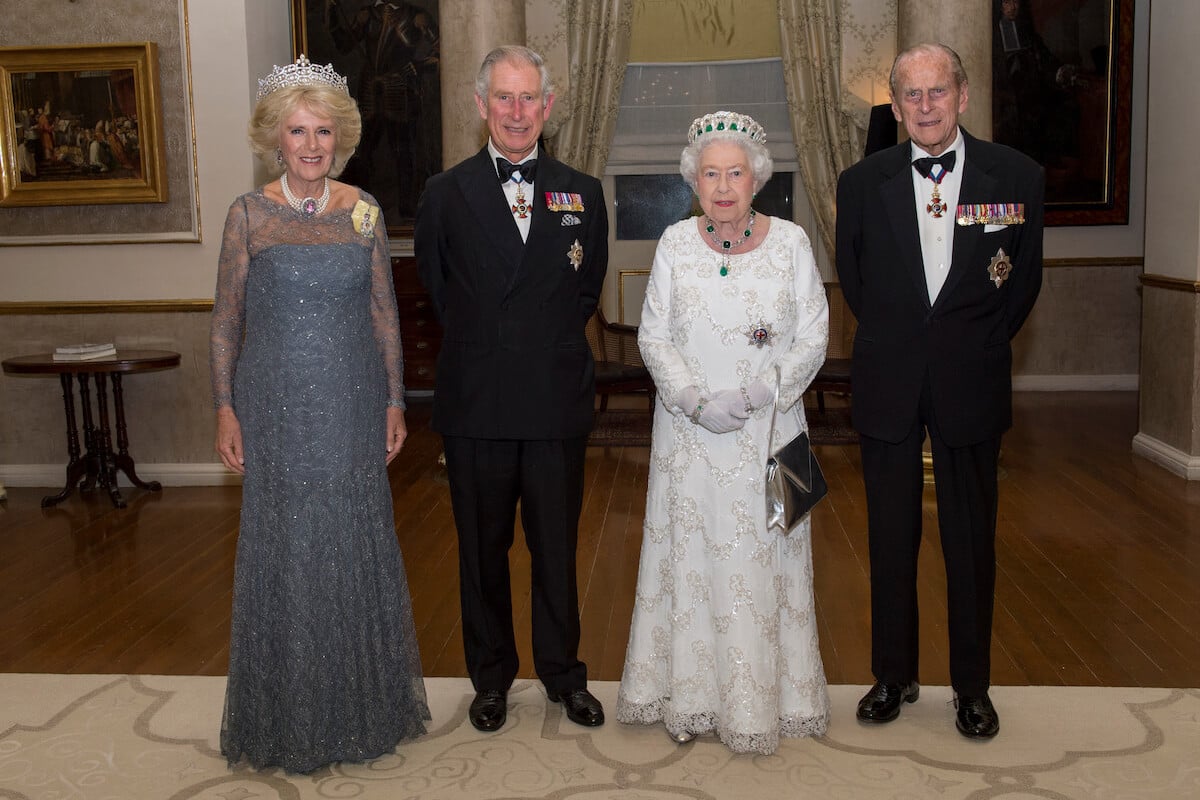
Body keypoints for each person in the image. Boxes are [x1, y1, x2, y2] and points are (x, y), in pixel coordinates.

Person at [209, 54, 429, 773]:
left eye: (323, 133)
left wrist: (395, 399)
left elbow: (385, 315)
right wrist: (225, 409)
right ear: (276, 139)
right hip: (273, 408)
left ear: (341, 139)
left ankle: (362, 708)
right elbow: (224, 323)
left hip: (351, 403)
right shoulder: (248, 215)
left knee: (349, 539)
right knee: (287, 547)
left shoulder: (361, 210)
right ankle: (284, 716)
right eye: (298, 132)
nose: (311, 146)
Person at [835, 43, 1044, 739]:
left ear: (961, 94)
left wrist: (966, 343)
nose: (924, 107)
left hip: (970, 382)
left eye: (937, 92)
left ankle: (973, 688)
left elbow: (1021, 288)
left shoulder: (1016, 176)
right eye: (911, 95)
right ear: (895, 105)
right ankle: (893, 677)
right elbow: (858, 284)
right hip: (889, 381)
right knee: (890, 540)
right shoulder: (861, 183)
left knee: (971, 545)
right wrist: (910, 340)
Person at [616, 110, 831, 754]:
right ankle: (692, 699)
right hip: (690, 439)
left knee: (776, 563)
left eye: (735, 172)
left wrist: (768, 389)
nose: (723, 186)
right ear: (694, 180)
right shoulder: (674, 244)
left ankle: (776, 700)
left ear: (756, 177)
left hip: (777, 436)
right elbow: (652, 333)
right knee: (693, 562)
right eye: (710, 173)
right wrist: (690, 399)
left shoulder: (791, 242)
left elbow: (816, 332)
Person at [414, 45, 608, 733]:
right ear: (481, 104)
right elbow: (441, 292)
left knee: (557, 550)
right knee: (481, 552)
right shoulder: (445, 193)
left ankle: (562, 675)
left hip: (554, 401)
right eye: (504, 98)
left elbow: (585, 291)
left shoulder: (581, 191)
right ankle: (491, 679)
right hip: (478, 401)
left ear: (548, 106)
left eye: (530, 99)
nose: (517, 112)